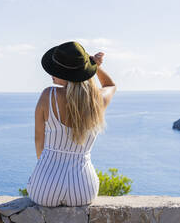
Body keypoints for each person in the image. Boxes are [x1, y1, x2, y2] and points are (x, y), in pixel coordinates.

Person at [26, 41, 116, 207]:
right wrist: (94, 65)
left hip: (45, 187)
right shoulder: (97, 100)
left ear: (66, 74)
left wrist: (48, 172)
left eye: (55, 70)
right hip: (83, 189)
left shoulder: (48, 95)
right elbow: (110, 85)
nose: (51, 73)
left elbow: (39, 141)